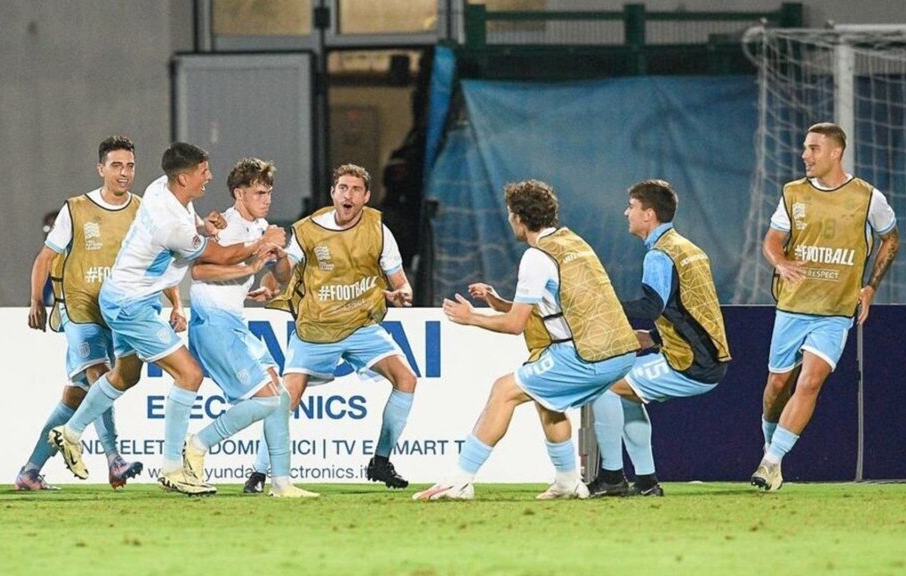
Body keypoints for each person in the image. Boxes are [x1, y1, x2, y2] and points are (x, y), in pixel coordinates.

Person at [47, 142, 286, 496]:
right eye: (204, 171)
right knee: (189, 374)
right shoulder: (171, 226)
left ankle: (71, 432)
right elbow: (216, 256)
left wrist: (206, 226)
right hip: (131, 304)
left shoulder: (160, 189)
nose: (209, 177)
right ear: (185, 177)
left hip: (124, 296)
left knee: (124, 376)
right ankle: (173, 467)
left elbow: (196, 230)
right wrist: (258, 246)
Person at [415, 179, 640, 501]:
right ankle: (567, 482)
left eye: (510, 214)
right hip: (620, 352)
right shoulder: (572, 242)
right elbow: (556, 305)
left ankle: (458, 482)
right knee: (547, 398)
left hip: (587, 355)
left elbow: (515, 326)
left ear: (519, 217)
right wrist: (499, 303)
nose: (510, 221)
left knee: (503, 390)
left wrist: (471, 318)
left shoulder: (536, 257)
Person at [248, 163, 417, 495]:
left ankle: (380, 460)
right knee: (286, 399)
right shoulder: (310, 230)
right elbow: (286, 270)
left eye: (355, 189)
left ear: (366, 197)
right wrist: (270, 283)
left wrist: (402, 295)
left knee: (406, 379)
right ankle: (258, 472)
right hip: (316, 326)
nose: (348, 195)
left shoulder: (379, 229)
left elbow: (401, 284)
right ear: (333, 193)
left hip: (361, 323)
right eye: (342, 188)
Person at [16, 136, 173, 491]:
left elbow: (157, 261)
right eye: (116, 165)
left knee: (76, 396)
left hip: (118, 312)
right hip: (80, 308)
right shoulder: (76, 209)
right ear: (101, 168)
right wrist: (36, 301)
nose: (124, 172)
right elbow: (45, 258)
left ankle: (29, 472)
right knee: (101, 375)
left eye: (130, 166)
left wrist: (175, 302)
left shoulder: (141, 210)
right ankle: (114, 460)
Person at [752, 122, 899, 491]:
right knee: (776, 386)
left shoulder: (868, 197)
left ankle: (772, 463)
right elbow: (772, 240)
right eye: (805, 148)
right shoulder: (793, 193)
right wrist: (781, 263)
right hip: (793, 307)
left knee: (811, 380)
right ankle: (771, 446)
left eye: (814, 148)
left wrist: (870, 287)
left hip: (835, 311)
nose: (805, 155)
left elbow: (891, 240)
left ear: (836, 153)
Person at [586, 180, 731, 498]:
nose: (627, 213)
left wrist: (604, 307)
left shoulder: (660, 255)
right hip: (704, 356)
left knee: (605, 385)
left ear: (648, 214)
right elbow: (694, 310)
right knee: (626, 391)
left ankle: (611, 477)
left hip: (691, 362)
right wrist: (655, 337)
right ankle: (646, 482)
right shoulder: (689, 249)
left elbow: (652, 306)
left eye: (632, 207)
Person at [180, 158, 312, 497]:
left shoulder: (261, 226)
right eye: (259, 192)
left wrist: (279, 253)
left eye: (268, 192)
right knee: (267, 400)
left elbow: (283, 279)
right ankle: (197, 444)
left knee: (280, 398)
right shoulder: (226, 225)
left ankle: (281, 482)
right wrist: (252, 262)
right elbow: (199, 271)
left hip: (235, 323)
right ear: (239, 194)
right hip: (212, 323)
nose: (266, 199)